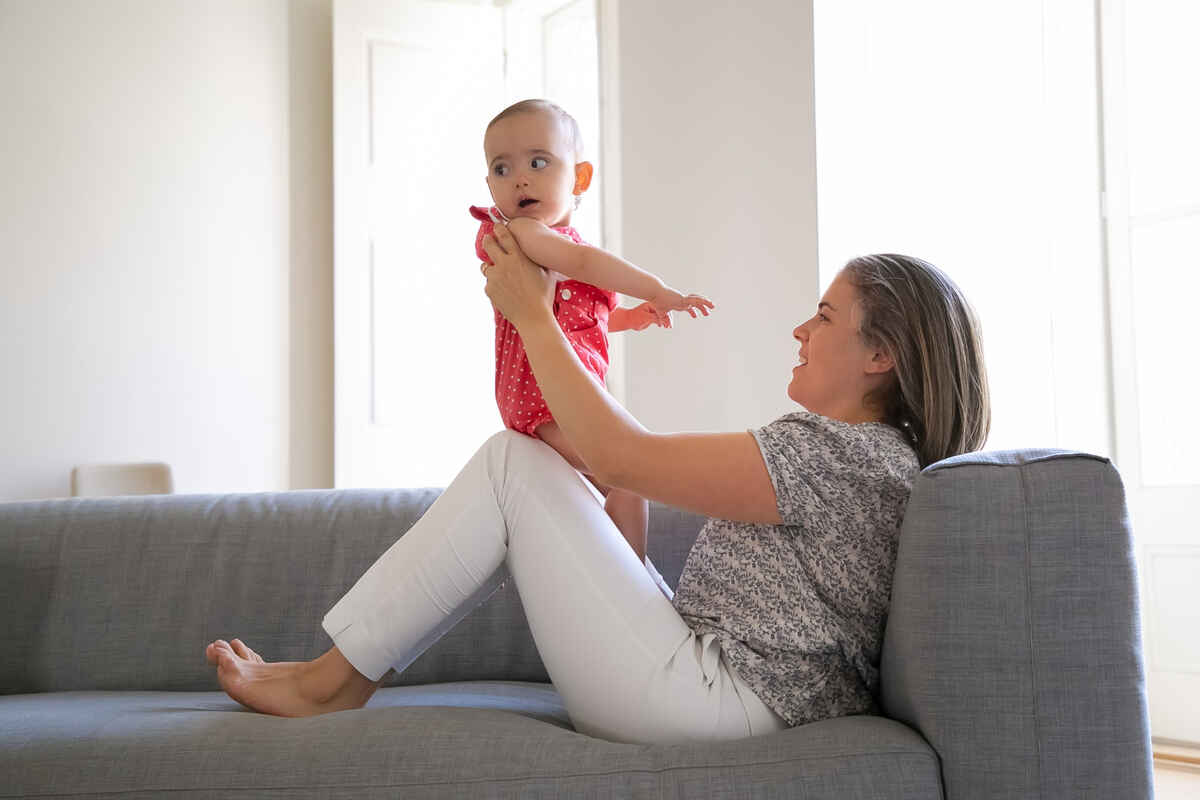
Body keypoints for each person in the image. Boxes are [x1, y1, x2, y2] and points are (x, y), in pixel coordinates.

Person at [205, 242, 990, 744]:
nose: (801, 331)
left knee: (514, 462)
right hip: (717, 687)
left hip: (716, 704)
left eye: (823, 316)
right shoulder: (867, 458)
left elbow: (621, 455)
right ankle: (334, 675)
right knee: (534, 464)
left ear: (880, 354)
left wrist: (534, 318)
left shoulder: (837, 456)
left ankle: (331, 684)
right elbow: (621, 465)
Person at [472, 98, 714, 565]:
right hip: (542, 398)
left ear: (579, 178)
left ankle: (615, 576)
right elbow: (585, 264)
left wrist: (631, 316)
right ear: (489, 186)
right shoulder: (521, 234)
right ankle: (629, 585)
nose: (519, 177)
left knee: (616, 481)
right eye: (502, 169)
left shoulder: (558, 243)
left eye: (538, 162)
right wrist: (658, 289)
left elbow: (584, 324)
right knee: (628, 475)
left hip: (566, 396)